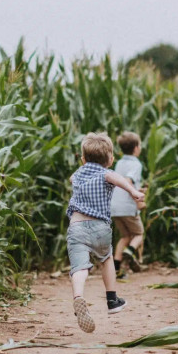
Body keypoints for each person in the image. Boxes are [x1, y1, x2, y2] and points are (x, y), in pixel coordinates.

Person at [67, 132, 145, 333]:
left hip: (76, 227)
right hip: (100, 227)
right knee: (106, 258)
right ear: (110, 160)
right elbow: (118, 179)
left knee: (80, 268)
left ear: (83, 159)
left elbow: (71, 178)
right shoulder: (106, 173)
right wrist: (134, 193)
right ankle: (112, 300)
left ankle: (78, 297)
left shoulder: (78, 174)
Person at [110, 131, 146, 277]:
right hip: (127, 206)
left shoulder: (119, 163)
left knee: (125, 237)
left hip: (114, 207)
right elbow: (128, 181)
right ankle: (129, 252)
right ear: (136, 148)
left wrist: (138, 188)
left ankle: (116, 269)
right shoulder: (136, 164)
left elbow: (120, 181)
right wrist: (136, 193)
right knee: (139, 234)